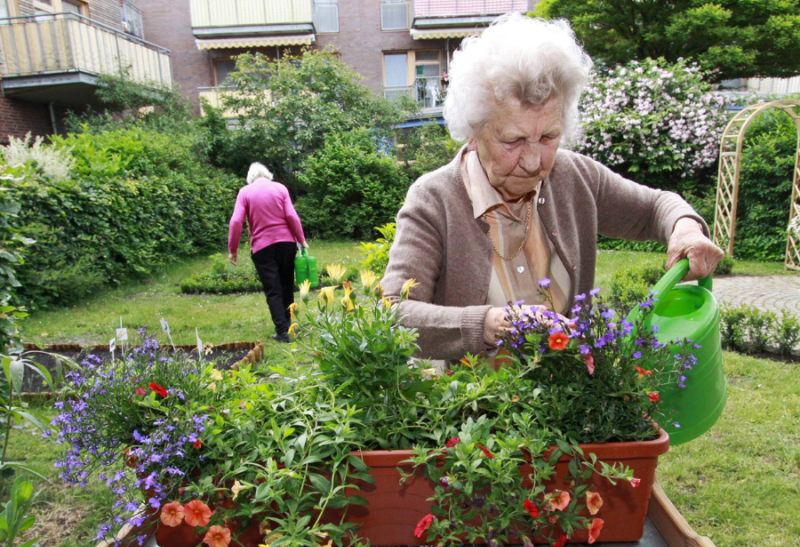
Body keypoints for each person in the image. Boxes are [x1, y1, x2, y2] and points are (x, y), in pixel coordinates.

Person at [382, 15, 724, 361]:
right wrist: (491, 324)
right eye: (513, 140)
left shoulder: (575, 177)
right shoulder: (434, 199)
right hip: (468, 410)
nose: (533, 161)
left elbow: (655, 208)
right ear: (473, 132)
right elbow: (393, 313)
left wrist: (686, 228)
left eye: (548, 137)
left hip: (565, 406)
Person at [228, 162, 308, 343]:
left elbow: (235, 222)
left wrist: (233, 250)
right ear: (267, 174)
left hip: (262, 248)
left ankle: (282, 332)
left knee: (273, 289)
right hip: (287, 244)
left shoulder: (245, 192)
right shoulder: (280, 188)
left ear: (250, 178)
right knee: (287, 284)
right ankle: (289, 325)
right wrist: (301, 239)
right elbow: (291, 216)